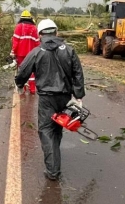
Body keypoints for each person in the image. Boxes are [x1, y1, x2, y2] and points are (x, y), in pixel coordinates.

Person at [15, 19, 85, 180]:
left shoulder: (37, 52)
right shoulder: (69, 50)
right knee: (57, 127)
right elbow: (78, 73)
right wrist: (78, 95)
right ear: (56, 32)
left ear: (40, 35)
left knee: (46, 130)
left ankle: (53, 171)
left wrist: (19, 84)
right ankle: (54, 158)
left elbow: (23, 71)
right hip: (65, 98)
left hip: (47, 99)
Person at [10, 10, 40, 94]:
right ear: (30, 18)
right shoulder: (34, 28)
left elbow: (15, 42)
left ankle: (22, 89)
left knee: (22, 71)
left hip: (20, 54)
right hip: (32, 54)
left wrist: (13, 52)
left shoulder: (19, 27)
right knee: (32, 72)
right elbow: (37, 42)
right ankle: (32, 89)